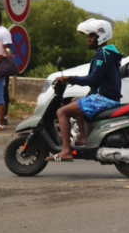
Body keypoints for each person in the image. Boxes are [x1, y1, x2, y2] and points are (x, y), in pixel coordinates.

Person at [48, 19, 123, 162]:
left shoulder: (104, 55)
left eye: (91, 36)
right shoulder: (107, 52)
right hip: (106, 96)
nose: (88, 39)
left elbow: (92, 80)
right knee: (75, 101)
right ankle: (82, 138)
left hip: (105, 98)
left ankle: (66, 151)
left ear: (101, 36)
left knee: (61, 112)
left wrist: (69, 78)